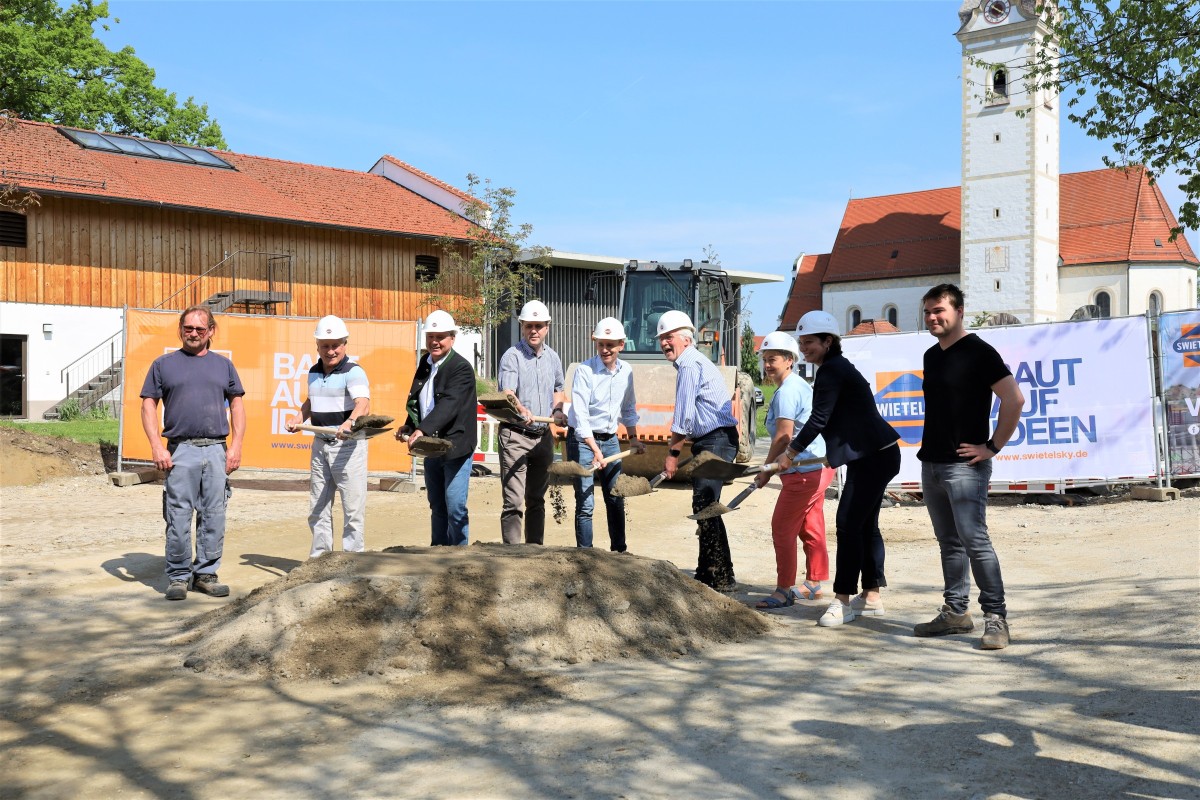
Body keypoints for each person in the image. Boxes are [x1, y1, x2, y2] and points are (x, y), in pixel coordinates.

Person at [914, 284, 1023, 650]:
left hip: (964, 467)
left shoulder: (979, 352)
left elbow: (1014, 399)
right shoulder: (932, 355)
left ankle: (996, 618)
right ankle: (956, 613)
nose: (932, 317)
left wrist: (992, 446)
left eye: (939, 310)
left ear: (959, 311)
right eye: (927, 311)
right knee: (949, 542)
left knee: (975, 541)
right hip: (932, 464)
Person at [775, 310, 901, 627]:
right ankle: (871, 597)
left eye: (810, 342)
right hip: (875, 454)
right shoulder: (835, 368)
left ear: (828, 341)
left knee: (847, 523)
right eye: (801, 342)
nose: (804, 348)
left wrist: (790, 452)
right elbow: (842, 419)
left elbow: (819, 419)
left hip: (875, 457)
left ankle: (843, 600)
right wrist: (836, 454)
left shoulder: (832, 370)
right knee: (865, 525)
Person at [140, 306, 245, 601]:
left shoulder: (224, 366)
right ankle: (178, 576)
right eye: (188, 328)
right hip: (180, 450)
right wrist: (156, 446)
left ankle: (206, 575)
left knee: (214, 515)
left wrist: (236, 445)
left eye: (200, 329)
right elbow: (148, 404)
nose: (194, 333)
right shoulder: (163, 365)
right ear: (180, 329)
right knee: (178, 516)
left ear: (211, 330)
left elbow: (237, 405)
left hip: (216, 449)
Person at [659, 310, 741, 592]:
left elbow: (683, 417)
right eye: (661, 338)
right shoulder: (692, 362)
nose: (664, 343)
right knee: (705, 505)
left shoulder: (689, 364)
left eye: (669, 337)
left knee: (705, 505)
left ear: (685, 338)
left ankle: (722, 576)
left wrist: (672, 455)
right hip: (712, 440)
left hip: (717, 439)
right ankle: (708, 572)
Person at [753, 331, 836, 609]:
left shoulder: (788, 391)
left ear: (790, 360)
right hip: (818, 467)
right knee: (810, 525)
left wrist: (766, 469)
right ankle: (814, 583)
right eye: (765, 359)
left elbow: (783, 437)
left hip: (804, 471)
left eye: (773, 359)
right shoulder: (797, 384)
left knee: (782, 527)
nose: (767, 365)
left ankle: (783, 590)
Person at [285, 315, 371, 558]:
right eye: (325, 345)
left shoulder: (354, 372)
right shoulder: (313, 371)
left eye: (335, 345)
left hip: (348, 447)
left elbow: (363, 404)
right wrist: (298, 418)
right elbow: (311, 401)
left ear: (345, 344)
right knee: (318, 507)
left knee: (352, 509)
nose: (331, 351)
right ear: (317, 346)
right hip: (320, 446)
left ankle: (353, 561)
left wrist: (350, 422)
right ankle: (320, 560)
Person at [398, 310, 478, 546]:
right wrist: (410, 425)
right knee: (437, 504)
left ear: (452, 338)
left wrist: (421, 430)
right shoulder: (425, 363)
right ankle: (438, 553)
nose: (434, 342)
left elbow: (449, 405)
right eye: (430, 336)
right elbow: (421, 400)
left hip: (455, 446)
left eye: (440, 337)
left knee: (455, 506)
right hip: (431, 446)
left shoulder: (461, 368)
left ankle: (459, 554)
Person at [566, 317, 646, 551]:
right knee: (585, 502)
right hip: (582, 440)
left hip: (610, 440)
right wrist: (595, 450)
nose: (605, 350)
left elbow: (628, 408)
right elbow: (581, 416)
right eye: (600, 344)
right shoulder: (584, 371)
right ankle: (586, 555)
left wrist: (633, 438)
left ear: (621, 345)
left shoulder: (626, 371)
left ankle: (619, 553)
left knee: (615, 497)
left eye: (610, 345)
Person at [497, 300, 567, 544]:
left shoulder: (553, 358)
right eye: (529, 326)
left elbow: (559, 389)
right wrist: (520, 408)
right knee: (514, 502)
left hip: (543, 437)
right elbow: (507, 392)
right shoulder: (512, 357)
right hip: (515, 435)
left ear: (547, 327)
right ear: (522, 327)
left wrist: (558, 410)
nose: (534, 331)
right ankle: (513, 554)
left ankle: (534, 552)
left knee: (537, 500)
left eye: (538, 326)